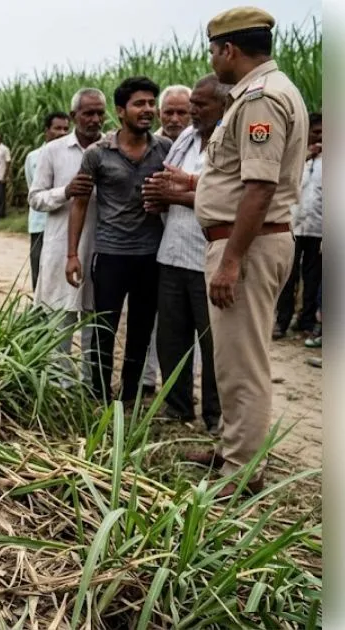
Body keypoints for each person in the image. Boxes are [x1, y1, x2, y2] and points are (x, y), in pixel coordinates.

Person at [152, 7, 307, 496]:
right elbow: (237, 177)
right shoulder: (255, 96)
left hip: (249, 246)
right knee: (232, 357)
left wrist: (233, 260)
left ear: (229, 50)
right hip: (243, 242)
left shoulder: (260, 99)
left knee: (244, 362)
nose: (213, 58)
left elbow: (259, 190)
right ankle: (233, 448)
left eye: (214, 50)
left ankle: (242, 471)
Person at [66, 76, 171, 404]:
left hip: (151, 256)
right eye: (140, 104)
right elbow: (80, 202)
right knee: (103, 328)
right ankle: (98, 395)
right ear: (120, 110)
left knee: (141, 329)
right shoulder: (98, 154)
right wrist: (72, 254)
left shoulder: (165, 150)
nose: (148, 110)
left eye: (152, 103)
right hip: (110, 256)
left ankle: (130, 394)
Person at [143, 74, 228, 433]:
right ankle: (178, 407)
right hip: (172, 252)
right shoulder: (185, 141)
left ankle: (214, 415)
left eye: (199, 105)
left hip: (208, 256)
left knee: (213, 343)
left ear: (224, 105)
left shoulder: (228, 143)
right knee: (172, 338)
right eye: (189, 105)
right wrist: (160, 194)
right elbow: (167, 182)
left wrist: (176, 195)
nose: (192, 112)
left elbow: (226, 199)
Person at [30, 88, 106, 383]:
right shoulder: (53, 151)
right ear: (74, 116)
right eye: (88, 113)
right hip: (62, 247)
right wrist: (66, 192)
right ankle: (60, 383)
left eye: (100, 112)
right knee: (61, 318)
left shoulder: (112, 147)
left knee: (93, 318)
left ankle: (89, 384)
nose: (95, 119)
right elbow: (35, 198)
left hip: (100, 247)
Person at [275, 111, 323, 338]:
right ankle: (281, 321)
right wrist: (306, 155)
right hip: (291, 226)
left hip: (318, 229)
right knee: (287, 276)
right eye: (315, 133)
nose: (320, 138)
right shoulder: (295, 156)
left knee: (313, 277)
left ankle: (306, 321)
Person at [25, 112, 70, 289]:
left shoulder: (71, 154)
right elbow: (34, 190)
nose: (62, 132)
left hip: (65, 222)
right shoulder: (33, 157)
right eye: (57, 128)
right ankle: (38, 312)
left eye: (66, 128)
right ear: (47, 131)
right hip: (40, 223)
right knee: (39, 266)